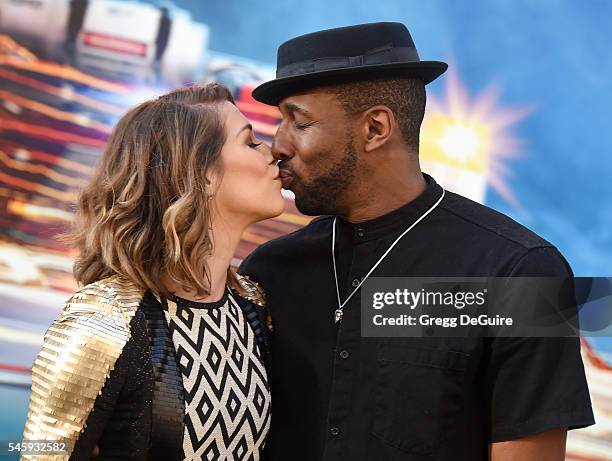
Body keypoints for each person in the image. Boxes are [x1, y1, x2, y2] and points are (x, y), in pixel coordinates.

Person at [239, 22, 595, 461]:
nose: (278, 145)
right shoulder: (267, 271)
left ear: (375, 128)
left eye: (299, 121)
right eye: (280, 123)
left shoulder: (521, 271)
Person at [20, 83, 281, 461]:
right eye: (251, 142)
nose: (273, 153)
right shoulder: (100, 323)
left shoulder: (253, 305)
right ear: (201, 171)